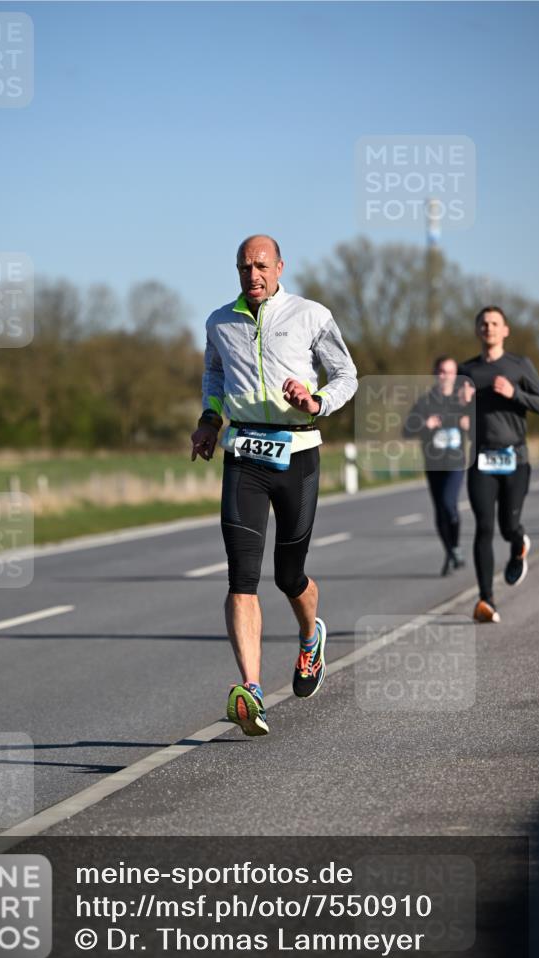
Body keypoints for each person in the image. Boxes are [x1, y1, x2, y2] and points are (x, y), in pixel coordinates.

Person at [191, 235, 357, 736]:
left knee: (289, 576)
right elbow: (214, 377)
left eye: (261, 265)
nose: (253, 275)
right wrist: (208, 419)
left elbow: (347, 374)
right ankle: (253, 691)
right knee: (241, 576)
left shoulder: (311, 315)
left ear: (280, 266)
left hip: (298, 453)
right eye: (245, 267)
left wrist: (316, 400)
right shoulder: (220, 321)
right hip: (243, 453)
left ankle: (311, 638)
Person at [459, 306, 539, 623]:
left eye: (495, 323)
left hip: (516, 458)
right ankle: (486, 600)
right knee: (483, 527)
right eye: (483, 323)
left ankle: (518, 541)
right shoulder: (466, 370)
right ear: (477, 330)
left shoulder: (519, 365)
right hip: (481, 458)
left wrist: (515, 394)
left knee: (507, 526)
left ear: (505, 330)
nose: (489, 328)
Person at [403, 356, 469, 576]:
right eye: (441, 371)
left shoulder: (463, 400)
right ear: (435, 373)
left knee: (449, 504)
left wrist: (469, 423)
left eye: (450, 371)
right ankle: (450, 553)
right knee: (440, 509)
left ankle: (456, 547)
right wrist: (425, 424)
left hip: (456, 463)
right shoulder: (425, 401)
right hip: (433, 463)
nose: (445, 376)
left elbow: (480, 425)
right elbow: (406, 430)